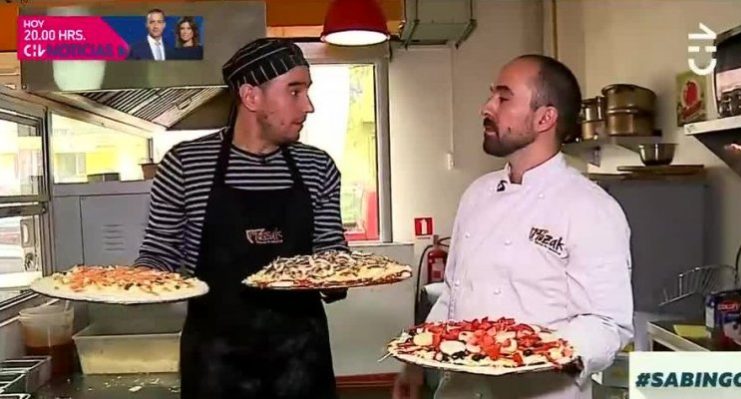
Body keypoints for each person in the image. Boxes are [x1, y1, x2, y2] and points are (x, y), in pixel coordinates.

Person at [392, 54, 634, 399]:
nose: (486, 107)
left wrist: (538, 353)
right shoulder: (477, 194)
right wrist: (415, 365)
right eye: (492, 95)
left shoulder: (592, 209)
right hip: (460, 391)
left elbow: (607, 323)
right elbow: (454, 294)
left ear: (545, 118)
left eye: (503, 98)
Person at [133, 38, 348, 398]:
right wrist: (130, 283)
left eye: (306, 91)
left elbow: (330, 252)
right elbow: (159, 253)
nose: (308, 105)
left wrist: (339, 275)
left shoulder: (317, 167)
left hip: (301, 360)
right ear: (251, 97)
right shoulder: (185, 164)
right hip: (216, 363)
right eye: (294, 91)